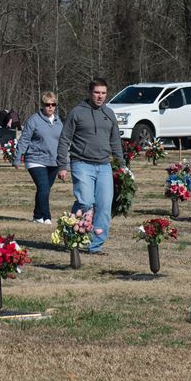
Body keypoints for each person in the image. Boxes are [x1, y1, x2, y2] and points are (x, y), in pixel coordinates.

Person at [56, 78, 126, 254]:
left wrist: (121, 166)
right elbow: (65, 139)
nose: (100, 96)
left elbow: (115, 141)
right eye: (97, 93)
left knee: (104, 206)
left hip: (104, 165)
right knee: (86, 202)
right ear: (89, 93)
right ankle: (72, 231)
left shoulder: (109, 113)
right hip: (81, 163)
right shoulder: (77, 112)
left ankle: (95, 246)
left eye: (103, 93)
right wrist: (62, 165)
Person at [15, 91, 62, 224]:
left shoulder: (59, 122)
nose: (50, 107)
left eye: (53, 104)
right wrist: (18, 157)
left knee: (44, 189)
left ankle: (37, 215)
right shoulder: (34, 120)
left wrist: (65, 163)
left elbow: (63, 142)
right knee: (43, 187)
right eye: (47, 104)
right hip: (35, 159)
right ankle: (47, 217)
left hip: (53, 161)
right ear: (43, 105)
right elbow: (24, 139)